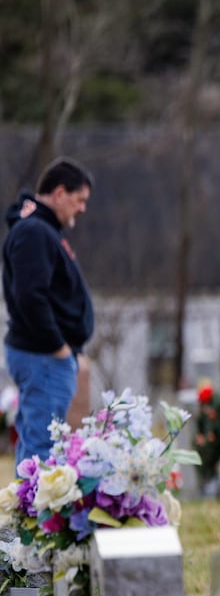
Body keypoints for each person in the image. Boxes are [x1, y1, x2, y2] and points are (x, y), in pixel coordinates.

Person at [3, 157, 95, 468]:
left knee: (36, 447)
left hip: (45, 356)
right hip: (43, 356)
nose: (82, 208)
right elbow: (31, 297)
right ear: (59, 193)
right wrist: (58, 348)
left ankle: (25, 514)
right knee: (43, 452)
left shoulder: (41, 230)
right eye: (79, 199)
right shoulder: (34, 232)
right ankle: (38, 516)